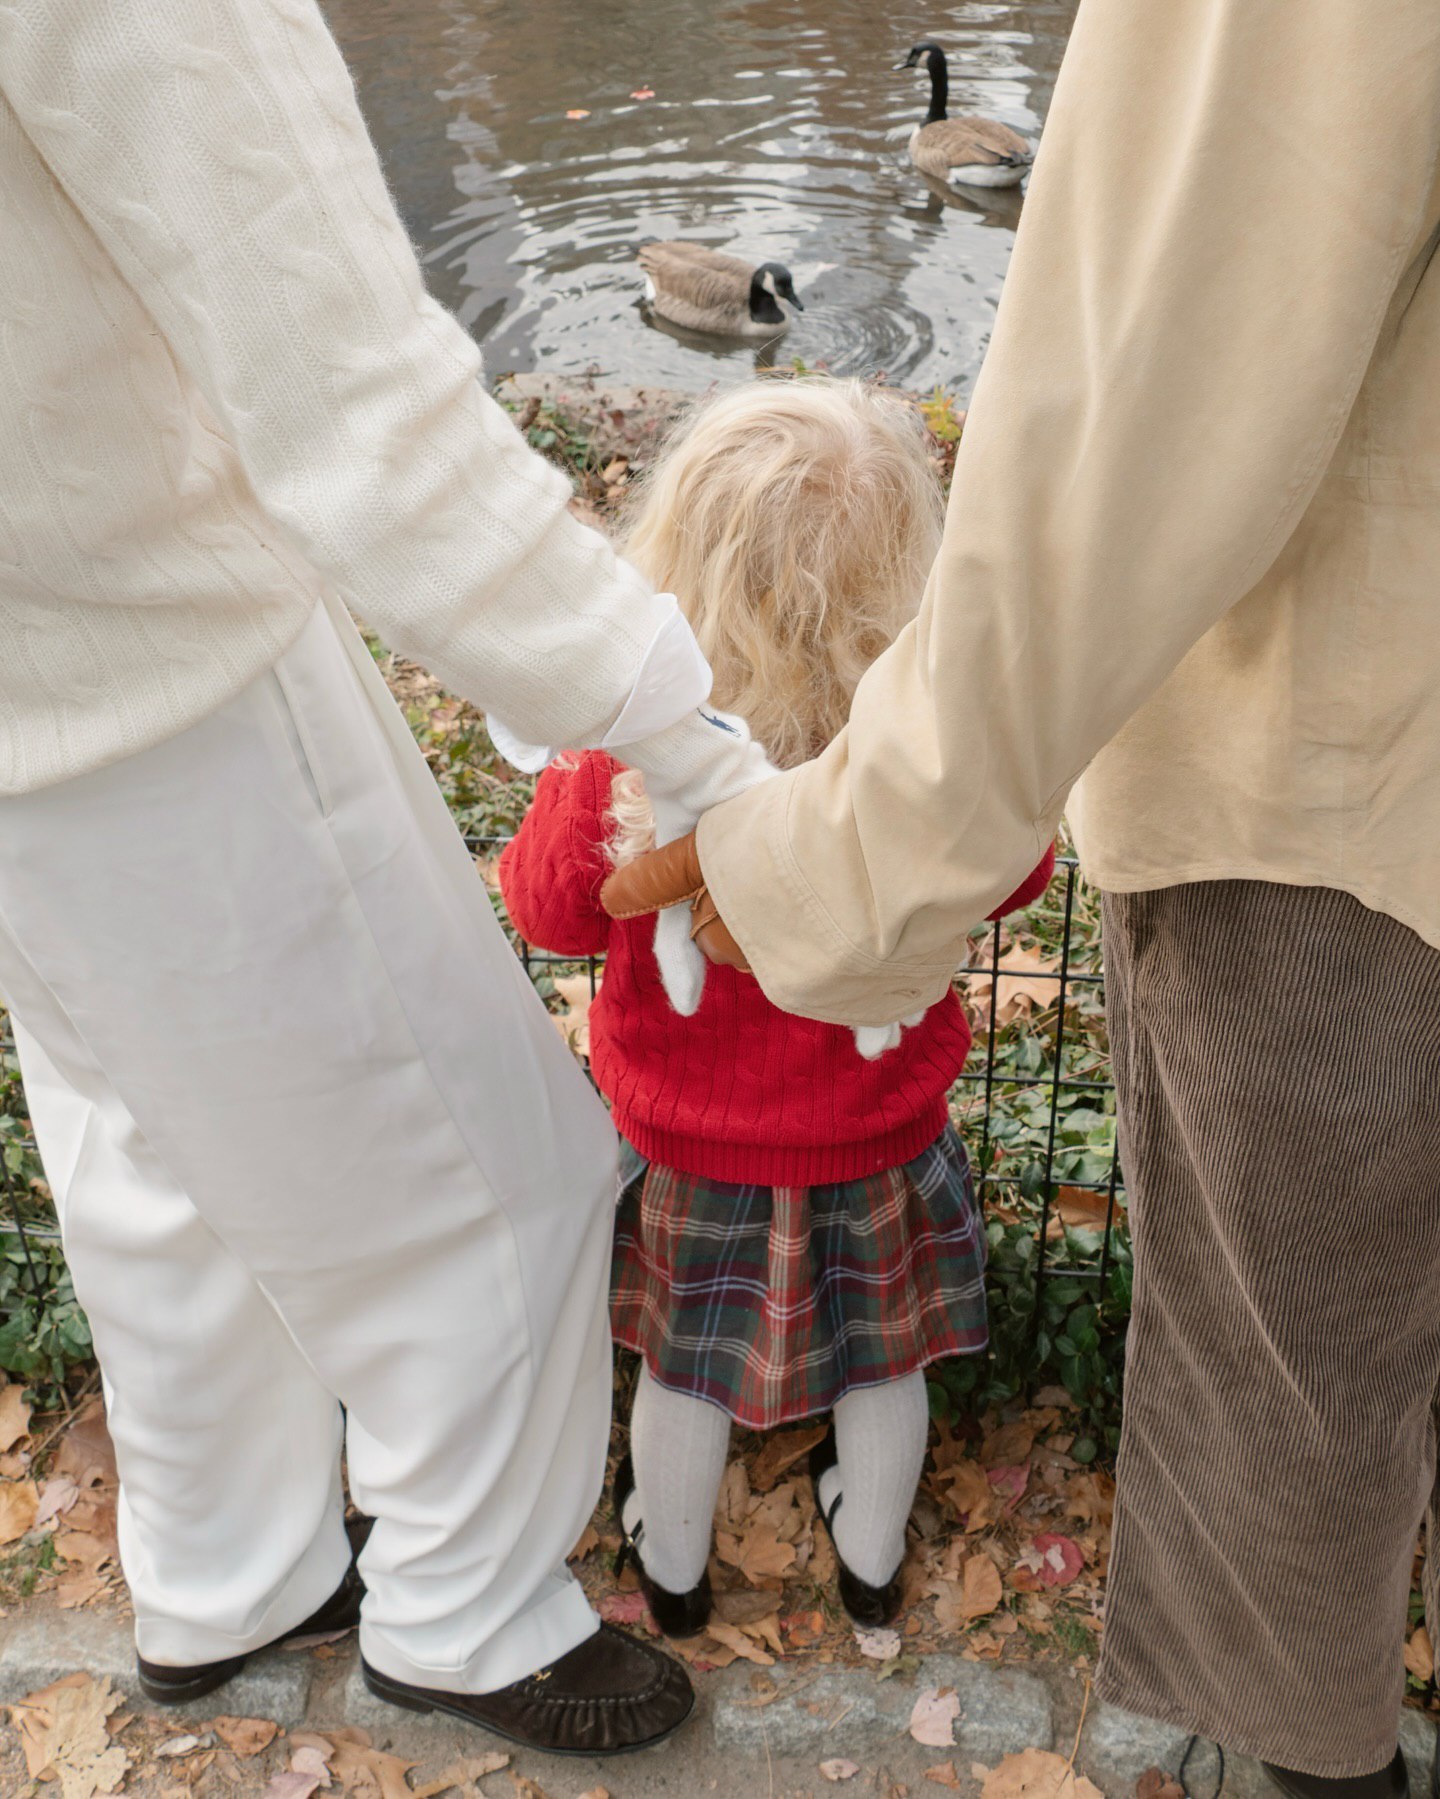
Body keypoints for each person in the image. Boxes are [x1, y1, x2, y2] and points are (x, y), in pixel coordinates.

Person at [597, 1, 1440, 1793]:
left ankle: (1308, 1753)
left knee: (1301, 1376)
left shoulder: (637, 782)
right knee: (889, 1384)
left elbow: (1160, 392)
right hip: (887, 1173)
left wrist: (843, 848)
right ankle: (881, 1570)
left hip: (1346, 788)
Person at [0, 0, 777, 1755]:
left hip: (22, 694)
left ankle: (229, 1573)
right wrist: (680, 731)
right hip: (157, 663)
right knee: (493, 1183)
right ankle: (469, 1608)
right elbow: (365, 412)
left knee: (155, 1157)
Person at [498, 380, 1054, 1638]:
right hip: (880, 1128)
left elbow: (547, 911)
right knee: (883, 1359)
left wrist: (572, 794)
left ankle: (674, 1566)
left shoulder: (628, 745)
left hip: (689, 1144)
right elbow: (1015, 870)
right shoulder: (929, 745)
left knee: (684, 1370)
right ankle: (868, 1551)